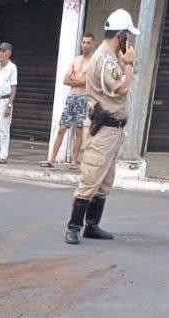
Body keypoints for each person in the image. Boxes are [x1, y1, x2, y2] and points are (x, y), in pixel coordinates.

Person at [64, 9, 139, 245]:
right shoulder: (107, 59)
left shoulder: (111, 56)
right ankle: (74, 226)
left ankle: (92, 225)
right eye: (128, 36)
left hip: (114, 129)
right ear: (121, 35)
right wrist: (129, 64)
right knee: (92, 175)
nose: (129, 41)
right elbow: (122, 88)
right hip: (104, 127)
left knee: (105, 180)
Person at [41, 33, 95, 169]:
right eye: (83, 42)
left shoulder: (93, 62)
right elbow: (65, 79)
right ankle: (51, 159)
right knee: (61, 129)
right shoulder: (76, 60)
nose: (85, 45)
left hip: (83, 98)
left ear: (92, 44)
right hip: (72, 97)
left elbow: (87, 81)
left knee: (78, 131)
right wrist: (78, 80)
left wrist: (75, 80)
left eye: (88, 43)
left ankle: (73, 161)